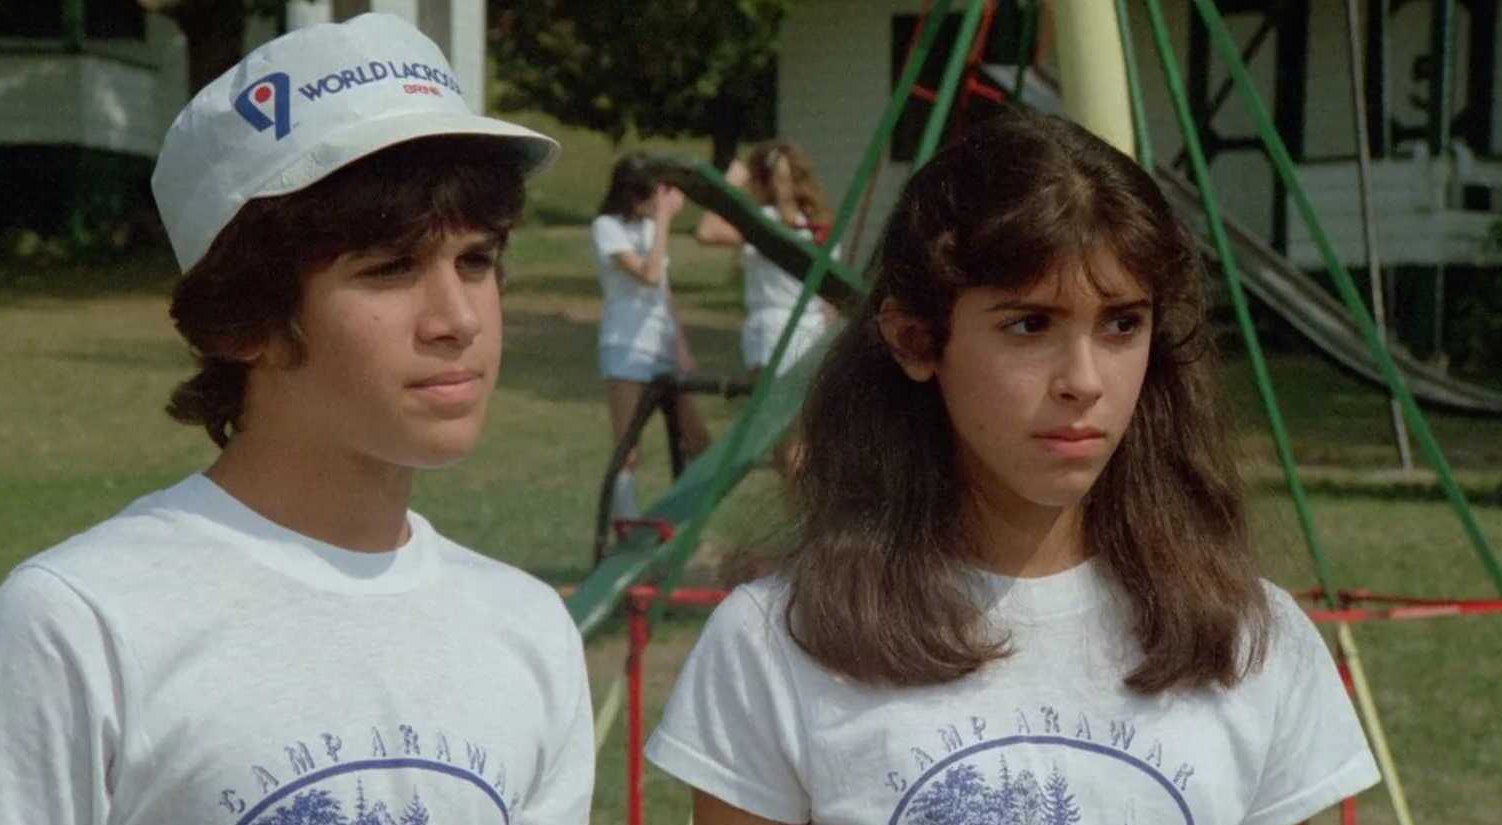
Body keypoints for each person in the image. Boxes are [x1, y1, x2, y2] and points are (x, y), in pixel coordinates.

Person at [0, 15, 592, 825]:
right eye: (389, 270)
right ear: (246, 322)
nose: (458, 319)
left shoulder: (529, 629)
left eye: (477, 261)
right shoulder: (81, 625)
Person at [645, 111, 1380, 825]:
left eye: (1122, 322)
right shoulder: (778, 643)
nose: (1084, 380)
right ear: (914, 339)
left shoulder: (1252, 638)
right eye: (1030, 324)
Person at [591, 154, 711, 519]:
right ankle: (626, 529)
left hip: (662, 345)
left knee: (699, 441)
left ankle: (683, 521)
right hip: (625, 346)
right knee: (628, 448)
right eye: (650, 197)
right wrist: (663, 220)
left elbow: (664, 291)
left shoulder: (650, 226)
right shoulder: (606, 227)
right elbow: (648, 273)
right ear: (631, 195)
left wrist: (682, 346)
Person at [694, 139, 837, 378]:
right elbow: (828, 299)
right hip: (813, 330)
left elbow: (706, 231)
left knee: (772, 413)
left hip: (773, 332)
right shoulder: (818, 224)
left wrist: (728, 184)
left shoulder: (764, 221)